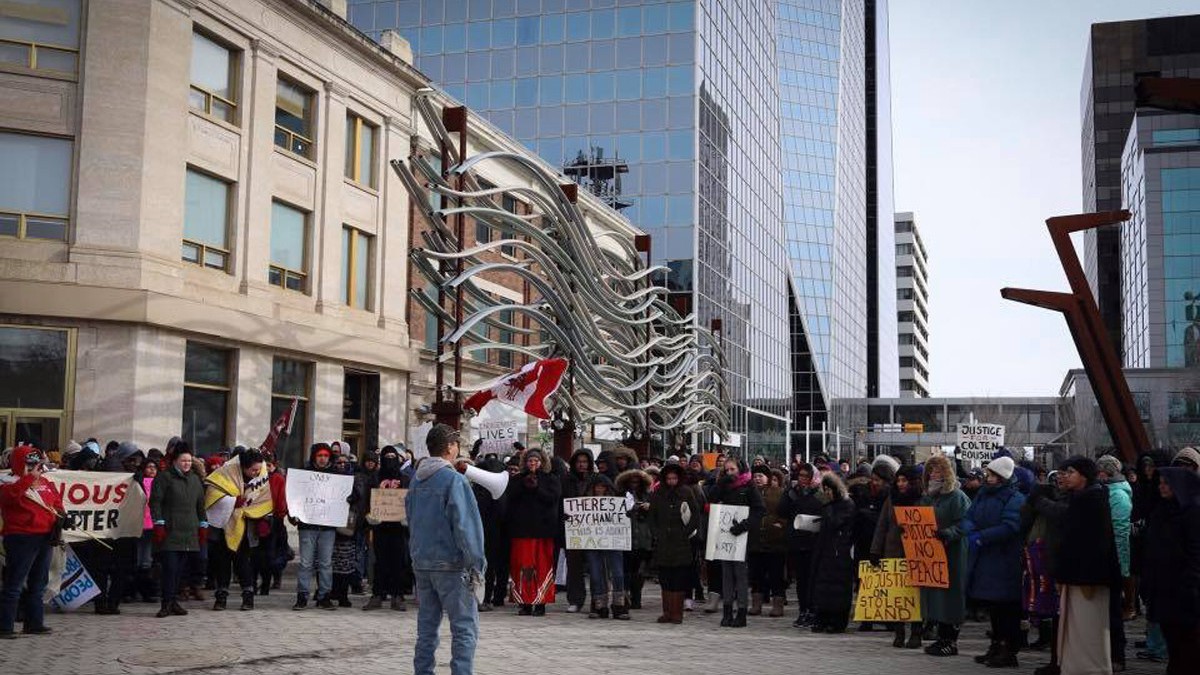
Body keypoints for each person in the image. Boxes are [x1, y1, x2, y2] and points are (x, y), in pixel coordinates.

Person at [406, 424, 486, 675]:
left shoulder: (416, 481)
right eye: (456, 444)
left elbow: (410, 519)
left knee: (426, 629)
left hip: (422, 562)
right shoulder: (454, 480)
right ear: (451, 447)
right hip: (451, 564)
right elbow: (466, 526)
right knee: (464, 628)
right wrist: (477, 564)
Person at [1053, 456, 1121, 675]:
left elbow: (1096, 544)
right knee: (1075, 628)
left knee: (1089, 630)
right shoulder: (1080, 498)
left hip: (1088, 577)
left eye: (1071, 472)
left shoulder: (1093, 500)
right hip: (1075, 574)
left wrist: (1086, 576)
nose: (1066, 476)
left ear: (1084, 475)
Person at [962, 456, 1027, 668]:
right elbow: (970, 515)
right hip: (987, 558)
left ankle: (1009, 649)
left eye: (990, 475)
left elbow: (1011, 526)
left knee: (1007, 608)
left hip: (1005, 559)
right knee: (995, 608)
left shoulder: (1014, 498)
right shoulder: (983, 495)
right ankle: (996, 645)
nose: (986, 478)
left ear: (1001, 477)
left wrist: (982, 536)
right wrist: (969, 528)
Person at [0, 444, 63, 638]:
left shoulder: (45, 482)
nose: (35, 467)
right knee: (15, 584)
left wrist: (62, 515)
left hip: (45, 536)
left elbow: (56, 501)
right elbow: (9, 498)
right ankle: (4, 627)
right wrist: (29, 478)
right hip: (21, 537)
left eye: (36, 464)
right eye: (30, 464)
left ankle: (34, 623)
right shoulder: (7, 481)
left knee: (39, 583)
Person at [1142, 466, 1200, 675]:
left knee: (1189, 640)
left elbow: (1195, 550)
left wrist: (1190, 582)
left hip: (1184, 588)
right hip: (1163, 586)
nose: (1162, 487)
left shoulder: (1192, 512)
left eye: (1166, 483)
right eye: (1160, 483)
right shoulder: (1161, 511)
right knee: (1172, 637)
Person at [206, 449, 270, 612]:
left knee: (244, 563)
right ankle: (221, 597)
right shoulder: (226, 472)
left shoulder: (261, 475)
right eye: (253, 470)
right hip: (224, 523)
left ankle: (248, 597)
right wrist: (233, 501)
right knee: (223, 562)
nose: (256, 473)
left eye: (258, 469)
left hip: (247, 525)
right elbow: (212, 493)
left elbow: (265, 495)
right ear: (243, 467)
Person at [920, 454, 972, 657]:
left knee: (951, 597)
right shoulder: (929, 497)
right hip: (933, 554)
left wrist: (948, 533)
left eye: (939, 470)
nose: (934, 474)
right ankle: (942, 638)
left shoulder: (957, 497)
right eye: (931, 470)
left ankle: (951, 640)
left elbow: (966, 523)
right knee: (937, 596)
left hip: (953, 552)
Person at [149, 442, 207, 619]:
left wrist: (203, 524)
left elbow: (200, 505)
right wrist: (158, 523)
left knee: (181, 571)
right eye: (183, 460)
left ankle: (174, 601)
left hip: (189, 532)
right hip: (170, 531)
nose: (187, 464)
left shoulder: (195, 480)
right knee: (170, 569)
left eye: (189, 461)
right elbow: (155, 502)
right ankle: (166, 603)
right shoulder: (164, 478)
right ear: (175, 461)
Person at [871, 464, 925, 648]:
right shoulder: (891, 498)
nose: (901, 484)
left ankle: (917, 632)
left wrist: (912, 527)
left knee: (915, 594)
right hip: (893, 551)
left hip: (917, 552)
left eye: (904, 480)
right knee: (897, 594)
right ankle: (899, 632)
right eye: (899, 480)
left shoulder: (922, 499)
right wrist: (875, 551)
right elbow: (882, 526)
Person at [708, 457, 765, 628]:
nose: (730, 473)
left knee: (740, 575)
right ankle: (726, 611)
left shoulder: (749, 486)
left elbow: (759, 509)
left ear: (740, 469)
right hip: (726, 535)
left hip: (742, 535)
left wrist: (744, 526)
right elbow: (711, 498)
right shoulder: (724, 485)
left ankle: (741, 612)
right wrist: (721, 483)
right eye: (727, 470)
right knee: (726, 573)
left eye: (732, 469)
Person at [504, 447, 561, 615]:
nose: (533, 463)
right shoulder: (517, 480)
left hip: (543, 531)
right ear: (525, 462)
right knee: (523, 566)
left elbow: (553, 499)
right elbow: (510, 497)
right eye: (530, 460)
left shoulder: (551, 479)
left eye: (536, 461)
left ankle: (541, 602)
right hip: (522, 531)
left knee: (542, 565)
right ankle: (525, 602)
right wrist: (524, 485)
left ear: (542, 462)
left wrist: (537, 488)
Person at [290, 443, 343, 610]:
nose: (322, 458)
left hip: (327, 526)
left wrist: (350, 497)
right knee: (306, 563)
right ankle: (302, 595)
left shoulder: (336, 475)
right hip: (308, 525)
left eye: (326, 456)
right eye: (320, 455)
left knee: (326, 563)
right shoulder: (304, 474)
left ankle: (324, 596)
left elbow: (349, 492)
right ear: (314, 456)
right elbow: (293, 495)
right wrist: (293, 512)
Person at [1023, 472, 1066, 675]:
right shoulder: (1042, 501)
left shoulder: (1070, 502)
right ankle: (1051, 651)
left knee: (1053, 604)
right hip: (1041, 552)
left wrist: (1041, 500)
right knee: (1042, 600)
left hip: (1054, 557)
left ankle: (1056, 654)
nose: (1061, 482)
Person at [363, 445, 415, 611]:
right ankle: (377, 594)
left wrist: (409, 518)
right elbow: (366, 499)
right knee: (379, 562)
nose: (390, 460)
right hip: (380, 528)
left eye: (394, 456)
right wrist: (368, 516)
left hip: (399, 528)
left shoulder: (405, 478)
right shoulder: (374, 478)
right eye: (387, 457)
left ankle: (397, 596)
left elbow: (411, 500)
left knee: (399, 562)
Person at [649, 462, 701, 624]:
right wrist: (656, 533)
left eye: (674, 478)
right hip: (664, 541)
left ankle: (677, 612)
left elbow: (695, 516)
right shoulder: (658, 493)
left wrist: (686, 533)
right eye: (669, 478)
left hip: (681, 542)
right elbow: (653, 516)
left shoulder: (686, 492)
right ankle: (667, 612)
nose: (671, 481)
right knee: (665, 577)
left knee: (679, 577)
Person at [809, 472, 857, 633]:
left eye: (829, 489)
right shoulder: (828, 505)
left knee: (838, 589)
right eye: (825, 490)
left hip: (840, 552)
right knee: (822, 587)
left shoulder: (847, 504)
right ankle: (821, 618)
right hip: (825, 550)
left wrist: (827, 508)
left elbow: (836, 523)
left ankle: (837, 621)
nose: (827, 493)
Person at [1096, 454, 1132, 671]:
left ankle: (1117, 655)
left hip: (1114, 560)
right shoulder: (1109, 492)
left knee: (1112, 611)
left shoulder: (1117, 495)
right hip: (1108, 557)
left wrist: (1123, 566)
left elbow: (1121, 532)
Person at [781, 461, 824, 628]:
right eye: (801, 475)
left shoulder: (819, 493)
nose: (803, 479)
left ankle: (813, 610)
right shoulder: (793, 493)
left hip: (814, 541)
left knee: (813, 579)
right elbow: (782, 510)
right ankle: (803, 610)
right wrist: (790, 493)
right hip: (797, 540)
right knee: (801, 579)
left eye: (807, 476)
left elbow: (825, 510)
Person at [582, 473, 628, 619]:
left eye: (603, 487)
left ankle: (619, 605)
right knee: (596, 574)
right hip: (593, 541)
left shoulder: (616, 501)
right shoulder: (584, 503)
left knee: (618, 573)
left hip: (614, 540)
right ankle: (599, 605)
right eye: (597, 487)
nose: (600, 490)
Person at [747, 464, 788, 617]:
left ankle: (777, 604)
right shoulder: (749, 493)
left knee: (776, 575)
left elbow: (786, 513)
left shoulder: (780, 493)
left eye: (761, 476)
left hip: (775, 541)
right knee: (756, 575)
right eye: (755, 476)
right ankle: (756, 604)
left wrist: (780, 526)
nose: (757, 479)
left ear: (768, 478)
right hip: (755, 540)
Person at [472, 455, 510, 611]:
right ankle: (485, 598)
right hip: (489, 531)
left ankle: (487, 597)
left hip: (495, 532)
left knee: (489, 566)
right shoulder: (479, 491)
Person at [560, 449, 594, 613]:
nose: (582, 465)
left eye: (585, 462)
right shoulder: (566, 481)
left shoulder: (596, 480)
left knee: (595, 566)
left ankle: (598, 599)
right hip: (572, 530)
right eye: (579, 462)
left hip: (594, 531)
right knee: (574, 567)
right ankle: (575, 599)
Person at [616, 466, 654, 611]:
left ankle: (636, 596)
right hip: (626, 535)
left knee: (639, 571)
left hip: (644, 536)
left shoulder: (648, 495)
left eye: (637, 481)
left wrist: (649, 507)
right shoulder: (620, 495)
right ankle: (625, 596)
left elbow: (656, 512)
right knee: (626, 569)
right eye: (631, 481)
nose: (634, 484)